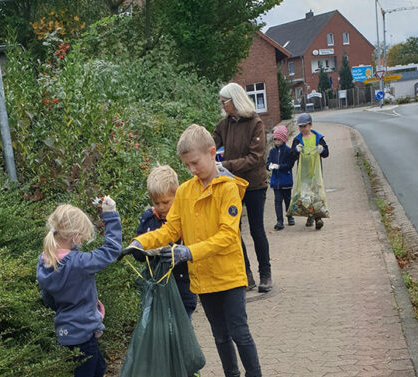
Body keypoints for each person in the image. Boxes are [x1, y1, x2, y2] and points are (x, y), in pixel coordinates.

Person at [128, 124, 263, 377]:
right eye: (187, 165)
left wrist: (188, 252)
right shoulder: (186, 192)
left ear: (213, 153)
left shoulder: (228, 189)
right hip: (204, 279)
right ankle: (231, 374)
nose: (191, 170)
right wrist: (140, 242)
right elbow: (170, 230)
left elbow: (227, 235)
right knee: (220, 335)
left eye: (195, 163)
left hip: (229, 276)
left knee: (239, 331)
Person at [36, 199, 122, 377]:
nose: (83, 241)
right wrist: (110, 215)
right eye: (82, 237)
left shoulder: (45, 261)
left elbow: (48, 298)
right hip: (83, 333)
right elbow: (111, 250)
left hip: (65, 330)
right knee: (90, 371)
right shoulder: (78, 262)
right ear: (75, 236)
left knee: (99, 368)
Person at [212, 82, 272, 293]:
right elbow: (211, 143)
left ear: (234, 101)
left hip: (255, 184)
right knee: (234, 231)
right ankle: (245, 274)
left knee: (257, 230)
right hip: (232, 185)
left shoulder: (256, 123)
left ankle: (265, 274)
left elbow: (256, 158)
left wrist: (225, 166)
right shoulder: (225, 124)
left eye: (224, 102)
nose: (222, 106)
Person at [133, 165, 198, 318]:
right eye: (156, 203)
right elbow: (138, 255)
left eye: (165, 202)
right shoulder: (148, 219)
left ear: (177, 195)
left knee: (182, 326)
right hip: (157, 289)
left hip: (183, 286)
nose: (161, 207)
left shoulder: (185, 218)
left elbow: (193, 249)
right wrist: (145, 250)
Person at [290, 113, 329, 230]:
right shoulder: (297, 140)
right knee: (306, 196)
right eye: (300, 127)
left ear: (310, 125)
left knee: (316, 196)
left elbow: (327, 153)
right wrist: (296, 151)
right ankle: (310, 216)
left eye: (304, 126)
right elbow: (292, 155)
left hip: (316, 173)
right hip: (304, 173)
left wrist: (322, 150)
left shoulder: (318, 138)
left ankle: (318, 218)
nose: (302, 129)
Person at [266, 125, 296, 231]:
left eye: (279, 139)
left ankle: (290, 216)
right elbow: (268, 161)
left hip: (286, 180)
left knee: (288, 200)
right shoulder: (272, 151)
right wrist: (269, 166)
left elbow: (289, 164)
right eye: (275, 139)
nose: (277, 141)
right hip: (276, 181)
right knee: (277, 201)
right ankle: (279, 221)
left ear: (283, 139)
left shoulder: (288, 151)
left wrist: (279, 166)